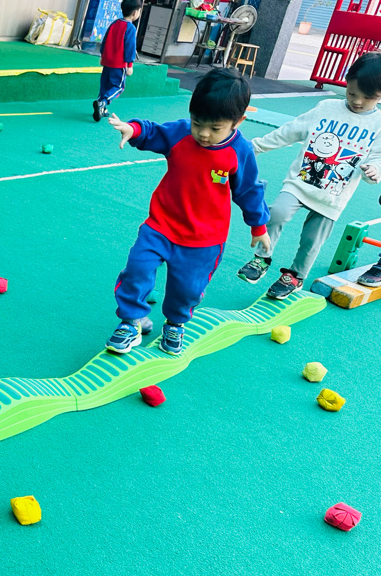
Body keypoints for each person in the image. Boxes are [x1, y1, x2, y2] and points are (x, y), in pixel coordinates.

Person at [105, 68, 270, 355]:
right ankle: (131, 321)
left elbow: (249, 190)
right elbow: (154, 132)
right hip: (161, 225)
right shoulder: (182, 133)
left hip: (204, 239)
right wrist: (133, 130)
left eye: (215, 128)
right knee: (137, 269)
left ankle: (175, 323)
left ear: (238, 121)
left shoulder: (239, 151)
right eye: (197, 123)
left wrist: (259, 226)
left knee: (187, 290)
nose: (203, 134)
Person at [236, 52, 381, 296]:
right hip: (299, 182)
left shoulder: (378, 124)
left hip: (333, 196)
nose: (357, 101)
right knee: (276, 214)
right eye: (352, 93)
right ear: (346, 83)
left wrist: (373, 172)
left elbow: (376, 160)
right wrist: (257, 146)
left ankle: (295, 276)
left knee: (311, 241)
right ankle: (262, 259)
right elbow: (290, 131)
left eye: (368, 97)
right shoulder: (326, 108)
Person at [93, 0, 142, 122]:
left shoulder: (114, 23)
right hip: (119, 64)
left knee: (105, 85)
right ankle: (103, 102)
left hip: (107, 62)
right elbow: (130, 47)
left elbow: (105, 41)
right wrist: (130, 65)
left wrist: (103, 56)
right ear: (135, 13)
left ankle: (102, 108)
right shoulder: (130, 28)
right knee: (118, 87)